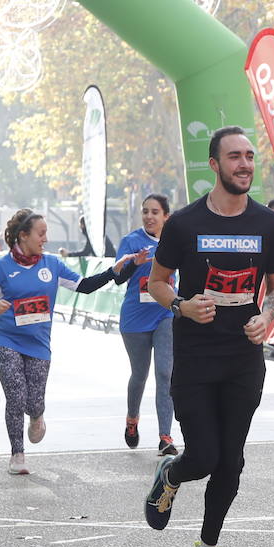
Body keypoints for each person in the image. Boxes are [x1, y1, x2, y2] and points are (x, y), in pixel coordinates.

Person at [142, 126, 274, 547]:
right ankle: (172, 474)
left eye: (249, 156)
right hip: (196, 358)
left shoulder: (268, 224)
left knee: (231, 460)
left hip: (243, 358)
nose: (244, 164)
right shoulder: (184, 223)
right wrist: (181, 306)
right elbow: (157, 282)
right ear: (214, 165)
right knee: (203, 457)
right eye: (234, 157)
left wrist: (268, 316)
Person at [0, 208, 145, 475]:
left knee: (33, 402)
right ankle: (17, 454)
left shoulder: (51, 265)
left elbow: (84, 285)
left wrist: (113, 271)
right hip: (5, 340)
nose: (45, 239)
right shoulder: (0, 268)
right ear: (23, 236)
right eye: (41, 233)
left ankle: (37, 415)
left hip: (39, 344)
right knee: (16, 394)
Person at [115, 194, 178, 456]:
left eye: (155, 212)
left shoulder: (175, 241)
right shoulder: (130, 241)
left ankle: (165, 437)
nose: (149, 217)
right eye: (145, 212)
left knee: (165, 373)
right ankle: (132, 420)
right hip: (135, 318)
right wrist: (132, 265)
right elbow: (118, 277)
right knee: (139, 375)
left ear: (166, 216)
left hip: (165, 314)